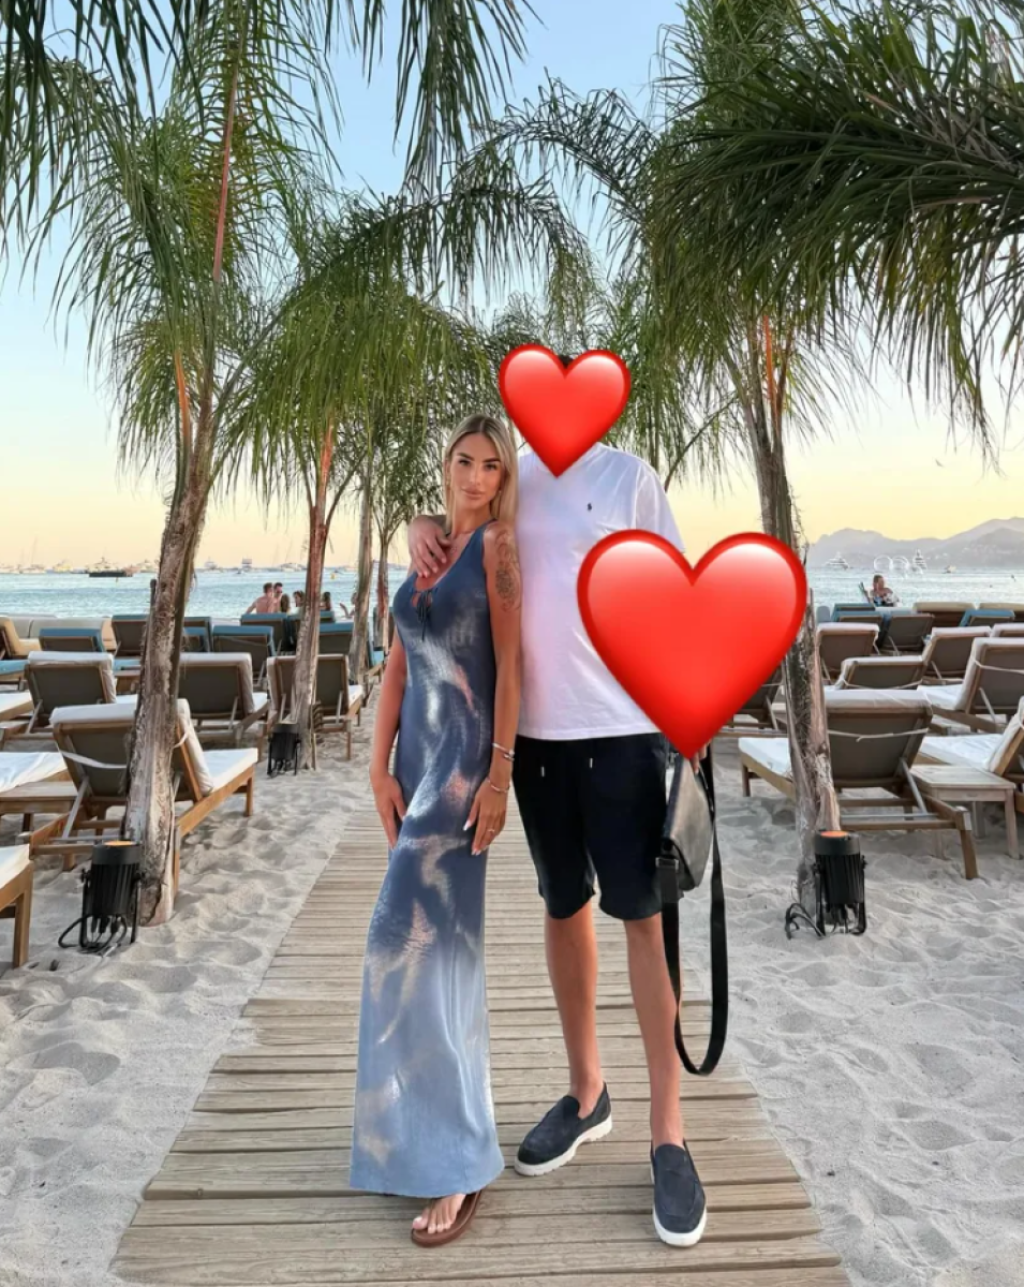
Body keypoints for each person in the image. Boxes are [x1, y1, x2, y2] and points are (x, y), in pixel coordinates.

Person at [407, 364, 708, 1250]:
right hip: (536, 739)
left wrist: (687, 721)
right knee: (562, 904)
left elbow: (676, 598)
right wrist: (419, 524)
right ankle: (587, 1092)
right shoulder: (513, 478)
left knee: (643, 920)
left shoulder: (630, 477)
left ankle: (668, 1131)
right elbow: (459, 517)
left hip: (623, 731)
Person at [351, 414, 522, 1248]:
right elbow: (397, 665)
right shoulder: (428, 548)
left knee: (406, 949)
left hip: (460, 775)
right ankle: (438, 1140)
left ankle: (456, 1157)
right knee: (434, 959)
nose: (476, 476)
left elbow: (512, 665)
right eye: (464, 460)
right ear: (446, 464)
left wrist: (499, 775)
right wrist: (377, 766)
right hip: (414, 769)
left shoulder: (498, 548)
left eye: (492, 465)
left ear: (503, 477)